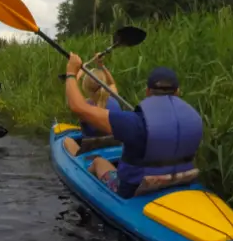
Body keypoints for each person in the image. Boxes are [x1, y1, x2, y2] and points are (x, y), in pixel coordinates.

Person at [63, 53, 203, 199]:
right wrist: (101, 66)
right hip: (182, 182)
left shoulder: (134, 123)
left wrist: (71, 73)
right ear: (178, 92)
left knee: (99, 162)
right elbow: (111, 86)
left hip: (133, 190)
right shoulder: (195, 118)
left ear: (147, 92)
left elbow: (77, 107)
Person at [63, 53, 123, 156]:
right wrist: (101, 65)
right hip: (115, 144)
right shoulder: (114, 98)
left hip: (90, 150)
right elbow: (111, 83)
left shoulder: (84, 107)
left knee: (67, 140)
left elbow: (70, 97)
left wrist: (74, 73)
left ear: (85, 87)